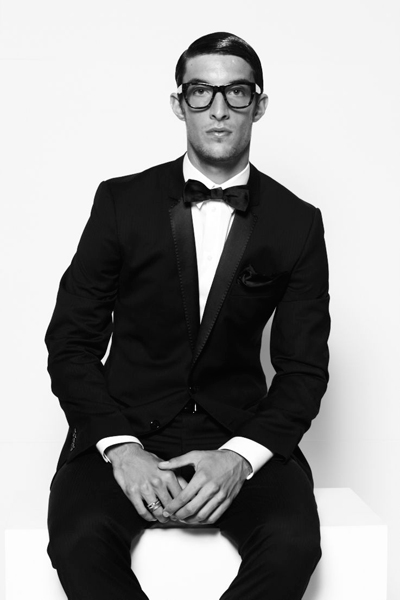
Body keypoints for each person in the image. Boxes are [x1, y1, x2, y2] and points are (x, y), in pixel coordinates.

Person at [45, 31, 330, 600]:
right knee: (79, 540)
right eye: (201, 92)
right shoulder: (120, 202)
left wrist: (239, 458)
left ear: (259, 106)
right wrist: (121, 448)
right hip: (127, 427)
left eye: (236, 93)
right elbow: (71, 343)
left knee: (293, 542)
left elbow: (303, 370)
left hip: (235, 432)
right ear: (179, 104)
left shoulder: (297, 221)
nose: (219, 109)